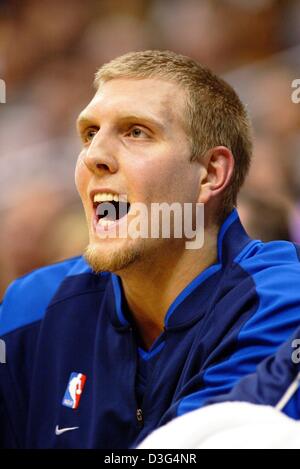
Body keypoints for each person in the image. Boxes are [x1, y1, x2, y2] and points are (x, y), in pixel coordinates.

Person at [0, 50, 300, 449]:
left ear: (210, 173)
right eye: (89, 134)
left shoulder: (279, 301)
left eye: (136, 132)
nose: (94, 157)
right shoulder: (32, 307)